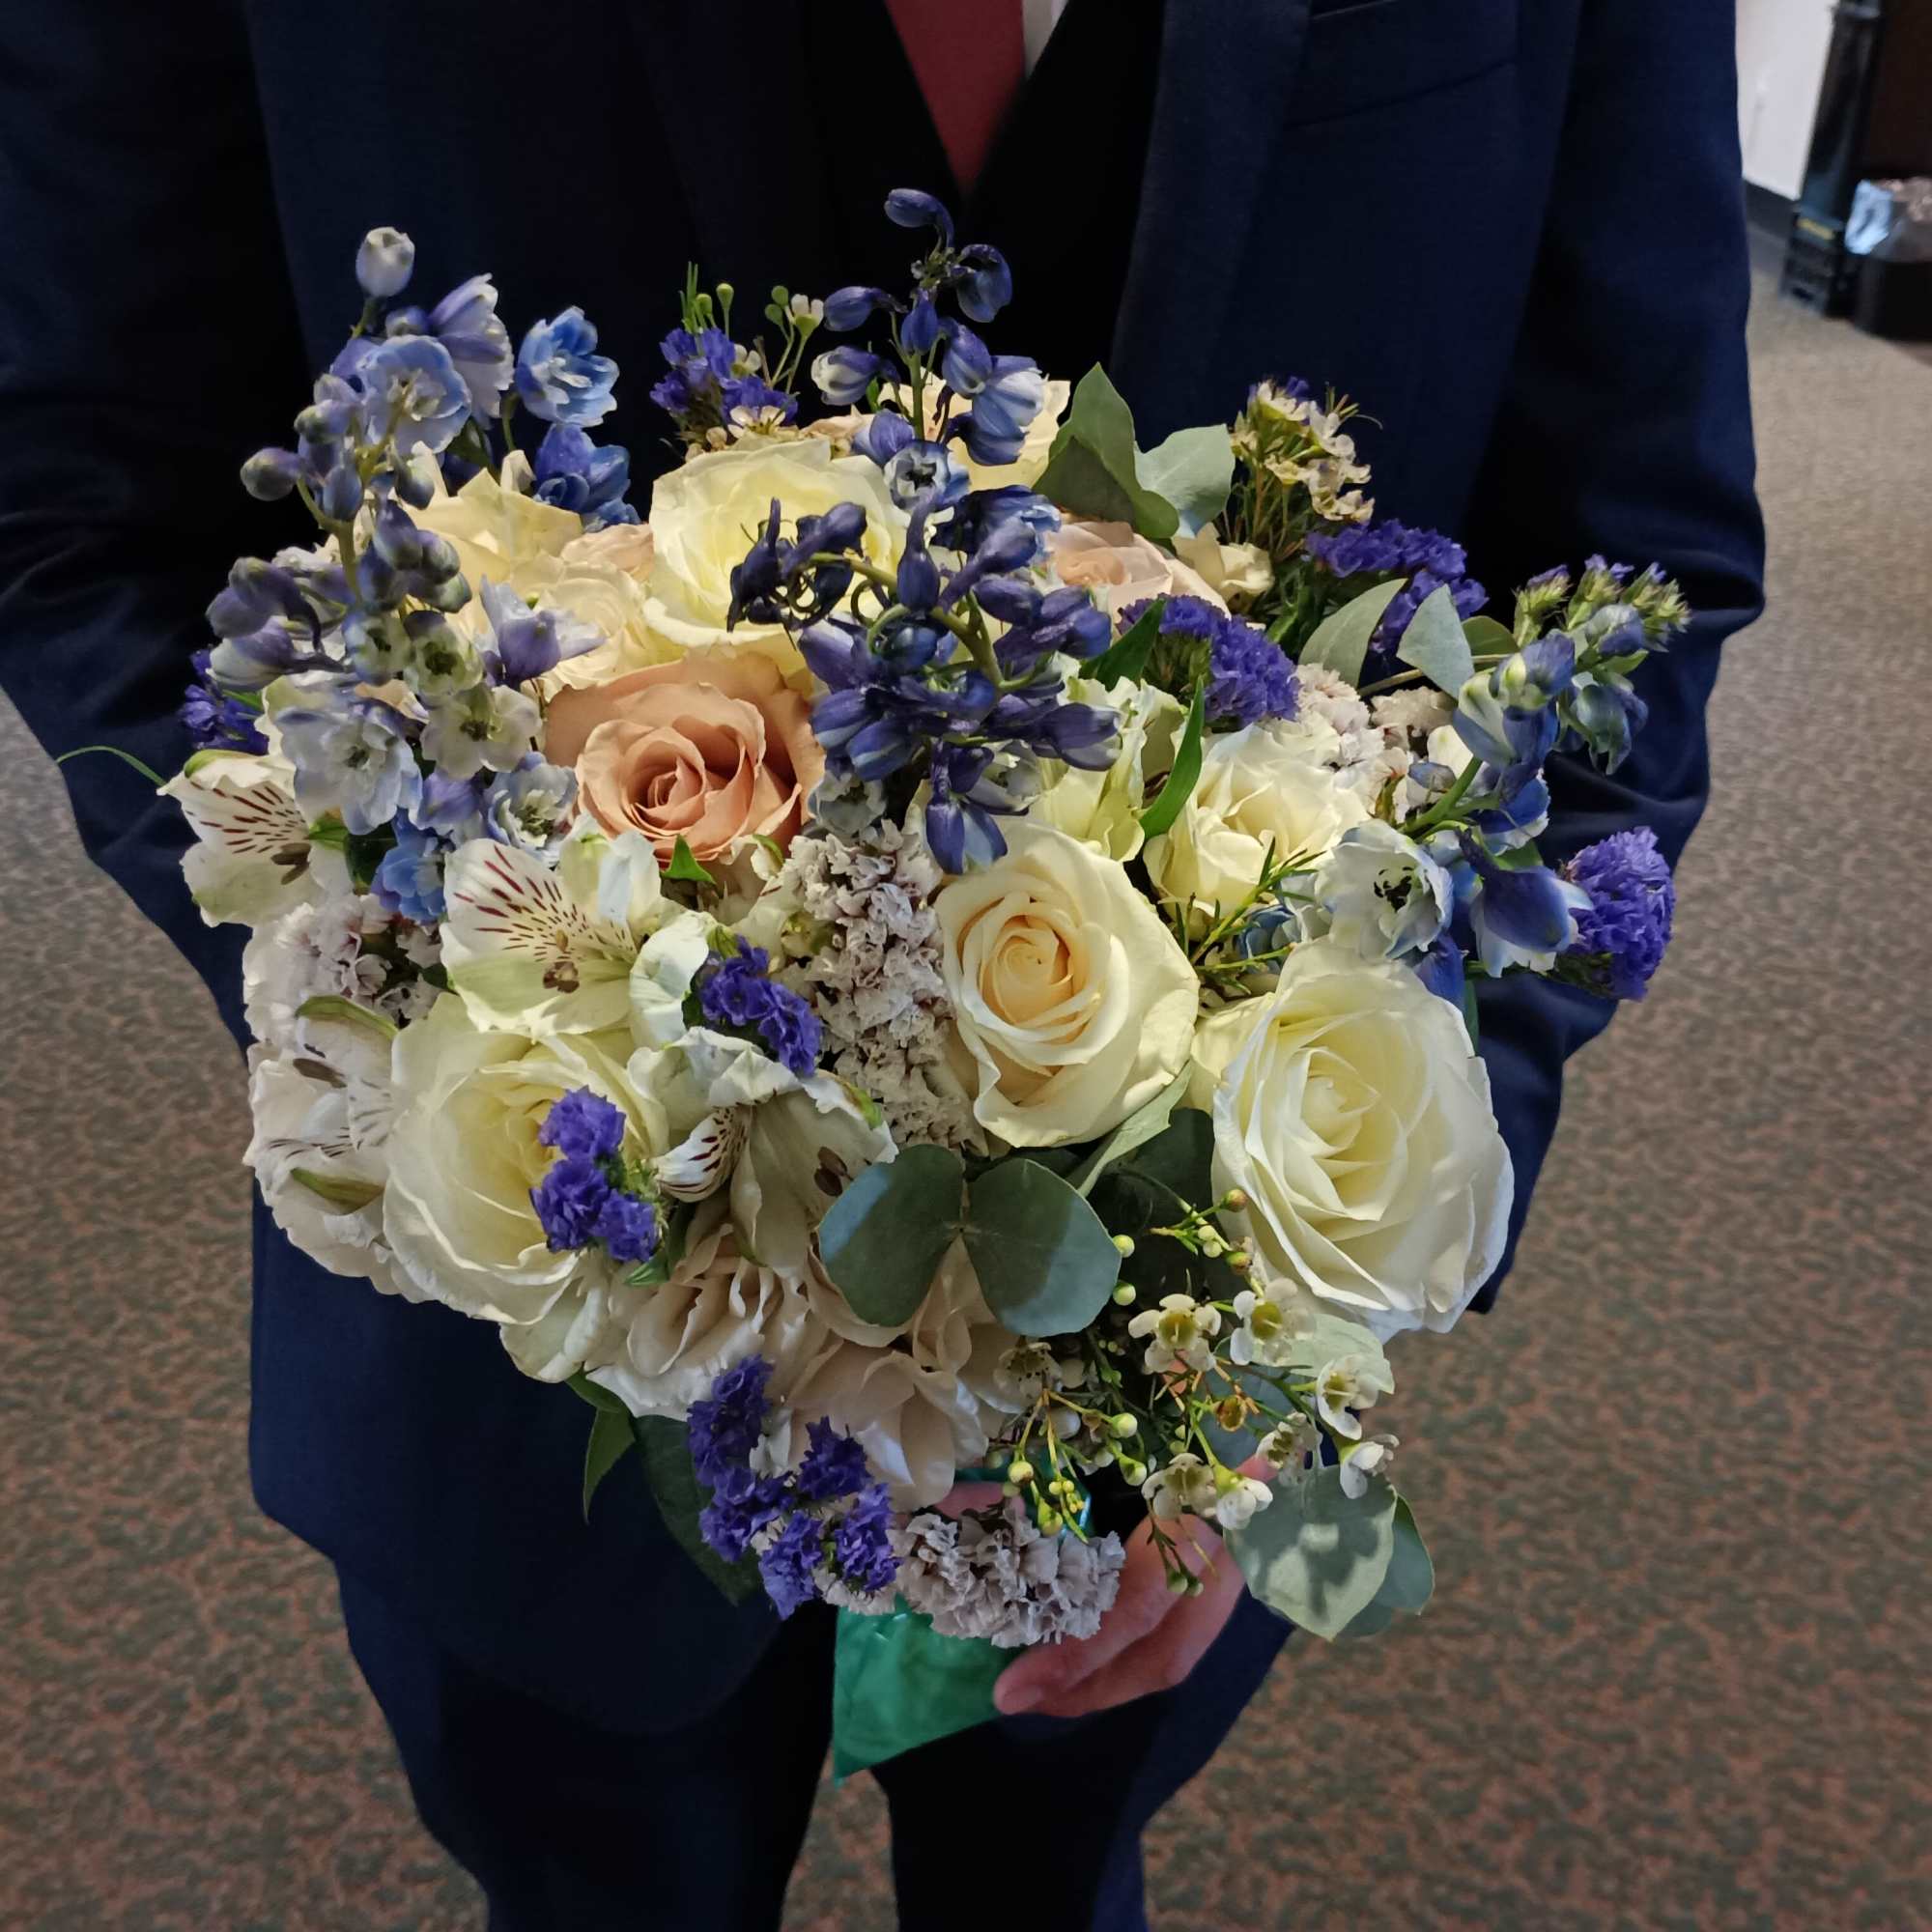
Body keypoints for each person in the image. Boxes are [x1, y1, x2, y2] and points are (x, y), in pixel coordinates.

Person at [0, 1, 1765, 1925]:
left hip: (1176, 1408)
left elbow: (1619, 555)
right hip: (519, 1371)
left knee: (1052, 1873)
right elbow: (94, 495)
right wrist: (412, 990)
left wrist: (1323, 1260)